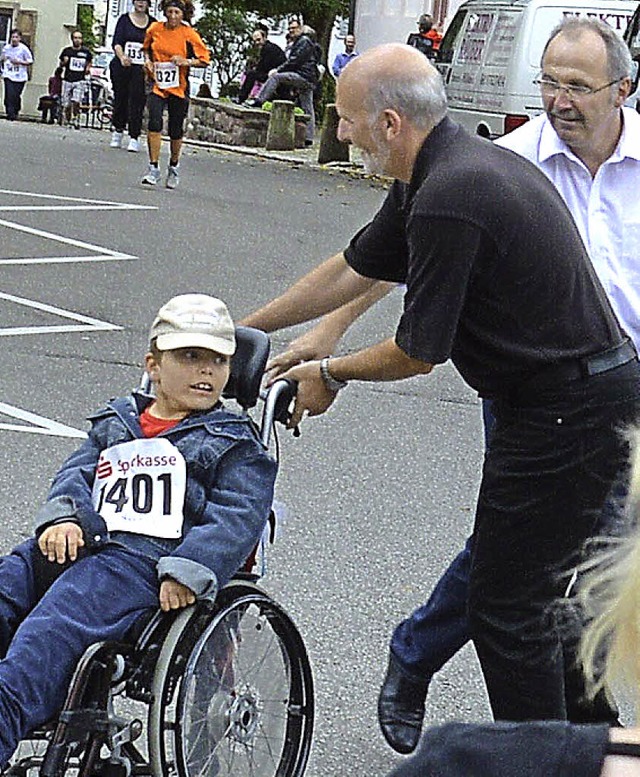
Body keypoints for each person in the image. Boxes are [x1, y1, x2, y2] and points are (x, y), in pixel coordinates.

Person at [264, 17, 640, 755]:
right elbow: (353, 267)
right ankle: (600, 751)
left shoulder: (449, 193)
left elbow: (417, 351)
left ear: (391, 121)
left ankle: (543, 763)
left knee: (506, 611)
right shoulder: (441, 169)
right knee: (549, 601)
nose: (339, 132)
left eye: (344, 118)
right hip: (567, 397)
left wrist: (330, 372)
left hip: (570, 408)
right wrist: (242, 328)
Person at [0, 292, 276, 768]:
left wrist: (190, 569)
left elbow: (239, 515)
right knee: (11, 579)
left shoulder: (233, 443)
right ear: (153, 364)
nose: (205, 371)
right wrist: (65, 516)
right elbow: (76, 474)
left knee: (54, 627)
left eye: (217, 360)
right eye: (190, 357)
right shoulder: (119, 421)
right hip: (86, 541)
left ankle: (7, 707)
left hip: (145, 563)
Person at [388, 424, 640, 777]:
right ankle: (415, 652)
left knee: (598, 539)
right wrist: (329, 372)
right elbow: (416, 364)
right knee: (520, 548)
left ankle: (586, 707)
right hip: (539, 396)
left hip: (610, 385)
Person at [141, 0, 210, 188]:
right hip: (157, 85)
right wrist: (147, 62)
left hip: (179, 87)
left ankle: (173, 166)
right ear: (165, 12)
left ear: (183, 14)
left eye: (177, 13)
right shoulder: (155, 28)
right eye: (170, 12)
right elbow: (145, 49)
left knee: (175, 129)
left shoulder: (188, 33)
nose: (172, 16)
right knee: (154, 122)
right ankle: (153, 168)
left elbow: (204, 60)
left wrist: (186, 61)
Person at [244, 18, 318, 147]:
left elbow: (295, 61)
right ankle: (308, 137)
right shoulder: (301, 42)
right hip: (309, 77)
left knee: (276, 77)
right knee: (307, 107)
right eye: (289, 29)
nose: (291, 31)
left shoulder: (304, 41)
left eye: (294, 28)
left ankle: (259, 101)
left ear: (300, 29)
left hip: (303, 76)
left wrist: (277, 70)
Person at [109, 0, 155, 153]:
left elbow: (154, 47)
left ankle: (134, 136)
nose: (141, 3)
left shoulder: (153, 24)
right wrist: (122, 57)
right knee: (121, 97)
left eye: (144, 1)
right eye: (138, 0)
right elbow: (116, 42)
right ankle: (118, 130)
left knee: (137, 100)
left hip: (141, 69)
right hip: (123, 66)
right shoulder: (124, 20)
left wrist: (149, 61)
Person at [235, 26, 285, 105]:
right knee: (252, 74)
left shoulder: (269, 48)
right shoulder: (268, 48)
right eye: (255, 41)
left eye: (259, 40)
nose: (257, 43)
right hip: (273, 73)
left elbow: (264, 66)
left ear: (264, 38)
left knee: (251, 74)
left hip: (277, 74)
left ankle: (241, 98)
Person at [59, 29, 92, 129]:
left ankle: (76, 118)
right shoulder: (67, 51)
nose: (77, 40)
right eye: (75, 38)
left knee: (76, 101)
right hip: (68, 79)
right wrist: (64, 62)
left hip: (79, 80)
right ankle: (68, 120)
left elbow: (89, 62)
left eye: (79, 38)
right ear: (72, 39)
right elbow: (60, 65)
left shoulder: (86, 52)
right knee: (66, 103)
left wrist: (88, 68)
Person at [1, 29, 33, 121]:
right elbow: (2, 58)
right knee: (8, 95)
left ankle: (15, 110)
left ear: (20, 38)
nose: (14, 39)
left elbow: (30, 61)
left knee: (15, 95)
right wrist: (4, 59)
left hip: (20, 76)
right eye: (13, 37)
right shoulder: (6, 48)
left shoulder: (23, 49)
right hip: (8, 74)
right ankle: (10, 114)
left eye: (16, 37)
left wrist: (19, 62)